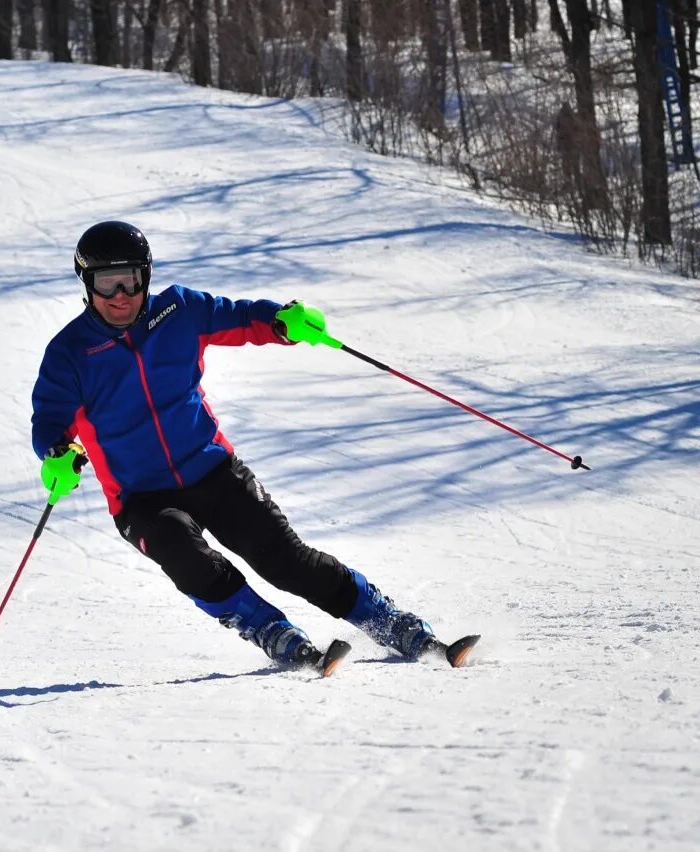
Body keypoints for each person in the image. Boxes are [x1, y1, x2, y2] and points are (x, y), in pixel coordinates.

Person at [31, 221, 475, 674]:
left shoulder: (178, 311)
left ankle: (390, 622)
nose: (121, 293)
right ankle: (271, 631)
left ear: (147, 275)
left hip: (212, 470)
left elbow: (240, 317)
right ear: (87, 284)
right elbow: (49, 419)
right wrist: (56, 455)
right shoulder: (69, 353)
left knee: (286, 561)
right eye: (107, 282)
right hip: (140, 498)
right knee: (179, 546)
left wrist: (283, 322)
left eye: (131, 278)